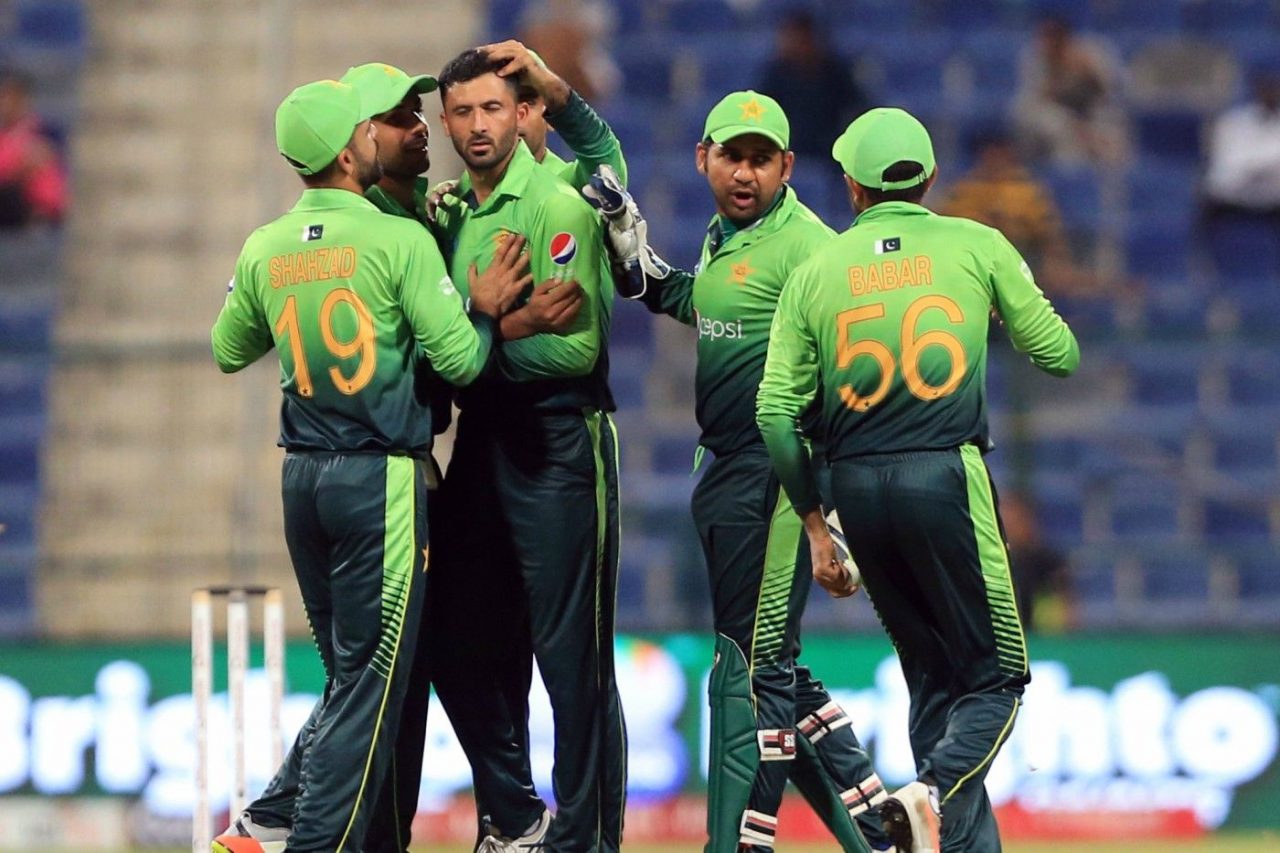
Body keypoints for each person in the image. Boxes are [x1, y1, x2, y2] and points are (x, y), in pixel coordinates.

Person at [208, 78, 529, 853]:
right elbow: (458, 361)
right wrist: (482, 307)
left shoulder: (265, 246)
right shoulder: (396, 242)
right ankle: (297, 835)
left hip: (303, 479)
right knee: (368, 684)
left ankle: (263, 825)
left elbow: (229, 349)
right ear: (352, 148)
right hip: (380, 476)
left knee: (353, 676)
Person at [757, 107, 1080, 852]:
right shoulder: (976, 242)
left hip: (857, 492)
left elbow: (776, 413)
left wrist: (815, 521)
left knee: (935, 682)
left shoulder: (817, 271)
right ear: (930, 179)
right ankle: (929, 795)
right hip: (946, 475)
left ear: (852, 185)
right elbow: (1058, 352)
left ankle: (939, 820)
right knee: (998, 679)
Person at [585, 90, 890, 853]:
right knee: (773, 668)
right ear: (704, 158)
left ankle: (734, 846)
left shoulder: (811, 250)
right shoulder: (728, 239)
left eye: (761, 159)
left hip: (777, 478)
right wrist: (633, 254)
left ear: (788, 166)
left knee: (746, 674)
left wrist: (831, 514)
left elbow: (857, 372)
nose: (745, 172)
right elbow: (700, 302)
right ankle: (883, 834)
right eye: (732, 155)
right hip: (725, 470)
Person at [428, 48, 624, 853]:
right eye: (463, 113)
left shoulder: (558, 204)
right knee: (453, 635)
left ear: (520, 114)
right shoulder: (449, 217)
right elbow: (451, 344)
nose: (478, 126)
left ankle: (586, 839)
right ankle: (511, 818)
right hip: (482, 440)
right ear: (446, 121)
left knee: (569, 656)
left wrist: (479, 347)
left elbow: (573, 351)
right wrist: (505, 325)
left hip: (558, 434)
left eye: (492, 110)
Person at [940, 129, 1099, 297]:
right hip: (975, 260)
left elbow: (1049, 234)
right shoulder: (965, 191)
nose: (996, 160)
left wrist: (1055, 262)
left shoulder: (1027, 191)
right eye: (991, 154)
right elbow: (948, 231)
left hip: (1024, 258)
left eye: (1001, 154)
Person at [1013, 16, 1128, 166]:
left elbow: (1112, 91)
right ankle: (1067, 181)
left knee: (1112, 141)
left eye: (1054, 37)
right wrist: (1057, 73)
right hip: (1056, 120)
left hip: (1094, 114)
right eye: (1045, 37)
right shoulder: (1035, 58)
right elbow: (1038, 100)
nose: (1048, 43)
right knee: (1059, 133)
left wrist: (1087, 70)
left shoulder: (1092, 51)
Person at [757, 11, 867, 166]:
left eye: (802, 40)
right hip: (789, 148)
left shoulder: (836, 73)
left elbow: (857, 107)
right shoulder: (776, 76)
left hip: (829, 152)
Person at [1201, 69, 1280, 275]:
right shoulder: (1232, 123)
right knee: (1204, 200)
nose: (1272, 93)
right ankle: (1203, 270)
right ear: (1257, 89)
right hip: (1235, 198)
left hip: (1275, 199)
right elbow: (1224, 172)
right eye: (1267, 87)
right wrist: (1260, 168)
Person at [0, 70, 67, 227]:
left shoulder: (45, 132)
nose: (6, 103)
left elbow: (40, 163)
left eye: (12, 96)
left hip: (37, 213)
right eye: (3, 96)